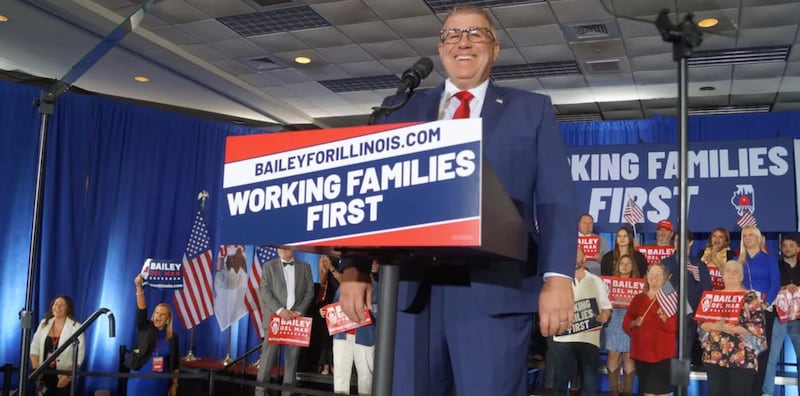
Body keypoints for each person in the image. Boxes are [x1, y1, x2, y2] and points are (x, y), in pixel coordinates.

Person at [337, 5, 578, 395]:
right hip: (411, 291)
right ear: (440, 49)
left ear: (495, 49)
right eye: (453, 34)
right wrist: (355, 268)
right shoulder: (399, 108)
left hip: (495, 292)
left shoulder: (531, 111)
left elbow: (556, 201)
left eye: (476, 33)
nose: (463, 42)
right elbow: (371, 191)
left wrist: (558, 278)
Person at [549, 248, 612, 396]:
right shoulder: (557, 282)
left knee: (589, 385)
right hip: (563, 338)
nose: (574, 259)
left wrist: (604, 316)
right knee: (559, 384)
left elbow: (606, 307)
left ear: (584, 260)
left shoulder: (596, 281)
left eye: (577, 256)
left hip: (589, 338)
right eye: (571, 255)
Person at [698, 260, 766, 396]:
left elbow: (758, 327)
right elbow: (702, 324)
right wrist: (716, 326)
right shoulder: (712, 296)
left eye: (735, 272)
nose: (731, 274)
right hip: (714, 356)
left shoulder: (751, 297)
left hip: (742, 357)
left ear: (741, 277)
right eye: (728, 271)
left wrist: (732, 328)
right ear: (722, 275)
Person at [256, 247, 315, 396]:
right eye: (280, 247)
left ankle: (288, 394)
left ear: (293, 249)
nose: (282, 249)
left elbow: (310, 291)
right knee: (267, 360)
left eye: (286, 247)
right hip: (274, 320)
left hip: (296, 320)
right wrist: (280, 311)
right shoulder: (268, 266)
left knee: (292, 362)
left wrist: (298, 312)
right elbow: (265, 291)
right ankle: (260, 393)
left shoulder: (305, 267)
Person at [623, 263, 677, 396]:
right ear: (646, 277)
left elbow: (676, 327)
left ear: (665, 278)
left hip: (664, 353)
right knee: (648, 392)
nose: (654, 276)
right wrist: (634, 323)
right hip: (643, 352)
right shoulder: (638, 299)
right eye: (652, 273)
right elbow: (626, 323)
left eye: (658, 274)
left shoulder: (670, 300)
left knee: (663, 392)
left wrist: (664, 318)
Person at [737, 226, 780, 395]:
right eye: (744, 235)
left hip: (763, 310)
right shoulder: (738, 260)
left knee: (761, 351)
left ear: (758, 238)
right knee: (743, 350)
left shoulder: (769, 259)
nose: (747, 238)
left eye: (751, 235)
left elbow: (775, 283)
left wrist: (765, 303)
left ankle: (757, 391)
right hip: (743, 311)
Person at [661, 231, 712, 368]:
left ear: (690, 242)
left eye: (683, 240)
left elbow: (706, 291)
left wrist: (701, 315)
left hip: (691, 315)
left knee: (684, 352)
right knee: (668, 350)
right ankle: (667, 379)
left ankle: (681, 380)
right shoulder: (665, 263)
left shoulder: (699, 265)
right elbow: (659, 287)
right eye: (676, 240)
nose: (679, 243)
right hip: (668, 313)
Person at [329, 261, 379, 394]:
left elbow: (381, 311)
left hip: (365, 336)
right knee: (340, 372)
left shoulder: (376, 288)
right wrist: (326, 312)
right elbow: (335, 305)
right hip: (343, 335)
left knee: (366, 374)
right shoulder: (344, 286)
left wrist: (368, 308)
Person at [128, 275, 179, 396]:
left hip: (160, 384)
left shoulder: (173, 337)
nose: (158, 316)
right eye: (156, 313)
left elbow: (175, 363)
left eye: (162, 314)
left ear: (168, 319)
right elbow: (142, 309)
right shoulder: (145, 328)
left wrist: (174, 384)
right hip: (139, 381)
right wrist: (139, 287)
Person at [763, 235, 800, 396]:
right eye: (784, 246)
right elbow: (768, 286)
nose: (787, 248)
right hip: (779, 317)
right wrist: (784, 287)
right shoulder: (775, 266)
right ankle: (767, 392)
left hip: (798, 319)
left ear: (798, 248)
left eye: (791, 245)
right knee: (771, 358)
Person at [30, 295, 85, 396]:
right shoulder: (44, 323)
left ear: (68, 309)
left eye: (61, 305)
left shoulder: (76, 327)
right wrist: (36, 370)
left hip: (64, 378)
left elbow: (79, 356)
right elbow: (34, 347)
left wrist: (68, 376)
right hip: (43, 377)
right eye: (55, 304)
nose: (57, 307)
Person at [604, 255, 641, 396]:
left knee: (628, 356)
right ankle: (614, 391)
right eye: (622, 263)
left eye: (628, 264)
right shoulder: (609, 283)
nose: (625, 266)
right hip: (613, 319)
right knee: (613, 354)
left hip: (630, 320)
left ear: (633, 267)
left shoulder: (639, 284)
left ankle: (627, 392)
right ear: (617, 266)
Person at [309, 255, 341, 376]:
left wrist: (332, 268)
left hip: (337, 309)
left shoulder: (337, 275)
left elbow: (343, 284)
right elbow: (319, 296)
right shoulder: (321, 280)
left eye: (326, 261)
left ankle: (333, 363)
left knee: (333, 337)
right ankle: (324, 363)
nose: (324, 264)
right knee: (323, 336)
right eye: (322, 262)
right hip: (323, 310)